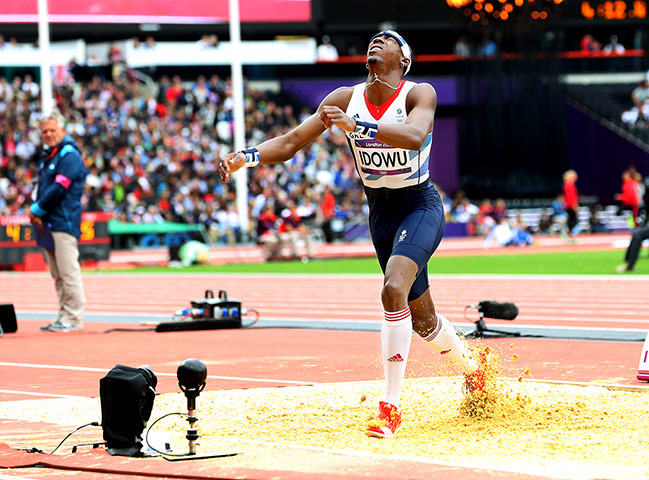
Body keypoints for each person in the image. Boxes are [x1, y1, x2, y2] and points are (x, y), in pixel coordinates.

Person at [219, 30, 487, 439]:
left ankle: (390, 409)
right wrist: (248, 156)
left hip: (419, 206)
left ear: (403, 60)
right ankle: (474, 369)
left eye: (388, 40)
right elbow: (291, 142)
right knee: (423, 320)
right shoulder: (344, 98)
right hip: (380, 215)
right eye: (373, 39)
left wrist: (359, 127)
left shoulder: (420, 93)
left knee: (393, 288)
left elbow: (415, 136)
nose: (377, 41)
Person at [28, 110, 86, 332]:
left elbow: (60, 188)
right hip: (49, 222)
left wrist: (37, 208)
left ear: (62, 129)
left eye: (52, 130)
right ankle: (64, 314)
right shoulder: (50, 155)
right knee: (57, 274)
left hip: (64, 221)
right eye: (44, 131)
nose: (48, 134)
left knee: (68, 271)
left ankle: (73, 317)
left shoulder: (69, 155)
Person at [562, 169, 579, 239]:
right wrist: (574, 205)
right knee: (574, 220)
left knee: (571, 220)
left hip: (568, 205)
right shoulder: (569, 185)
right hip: (570, 205)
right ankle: (568, 233)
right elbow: (571, 196)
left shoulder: (566, 184)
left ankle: (568, 233)